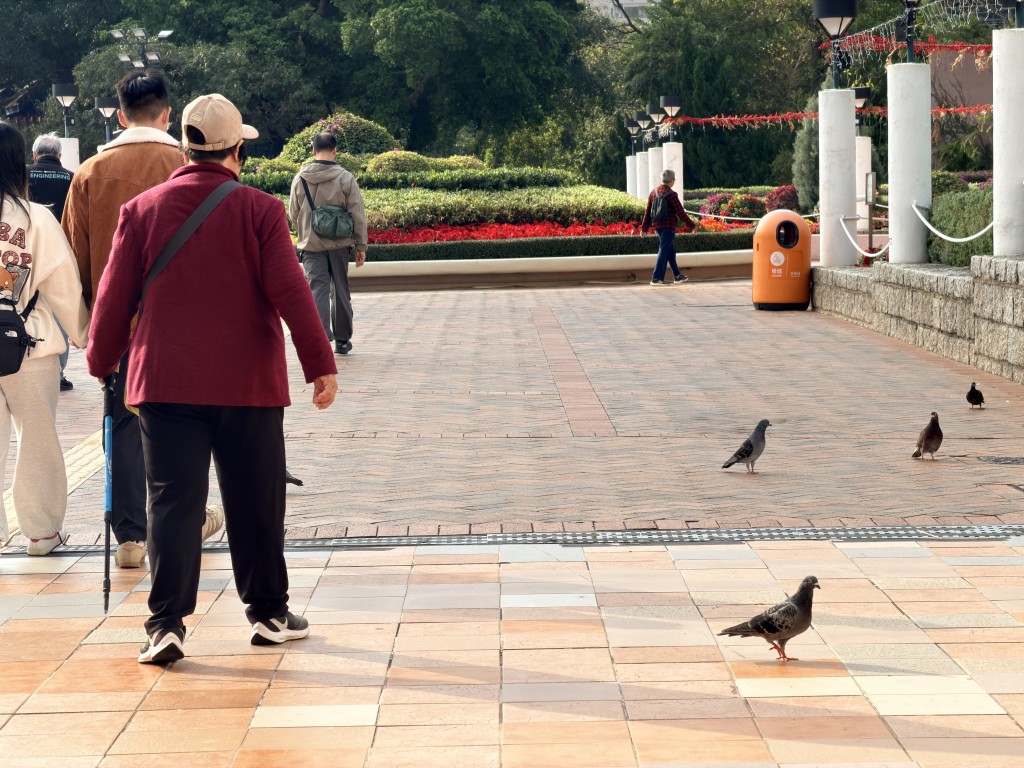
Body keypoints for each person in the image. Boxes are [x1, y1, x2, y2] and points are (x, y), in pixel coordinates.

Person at [87, 93, 339, 664]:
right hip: (247, 384)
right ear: (237, 150)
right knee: (255, 498)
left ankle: (166, 624)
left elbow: (113, 297)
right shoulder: (260, 211)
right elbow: (291, 293)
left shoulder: (142, 209)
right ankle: (269, 612)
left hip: (165, 382)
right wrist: (319, 365)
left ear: (187, 148)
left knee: (172, 503)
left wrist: (102, 360)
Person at [62, 71, 223, 569]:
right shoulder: (186, 164)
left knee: (122, 426)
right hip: (185, 325)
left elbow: (72, 256)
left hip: (119, 323)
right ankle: (185, 519)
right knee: (185, 426)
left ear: (118, 114)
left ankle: (130, 535)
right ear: (168, 114)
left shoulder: (89, 172)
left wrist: (90, 330)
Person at [0, 121, 90, 555]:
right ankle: (40, 533)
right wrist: (84, 333)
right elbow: (63, 282)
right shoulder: (36, 217)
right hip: (29, 345)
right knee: (37, 440)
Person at [288, 132, 367, 355]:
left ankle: (321, 339)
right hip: (340, 245)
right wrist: (361, 245)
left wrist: (305, 233)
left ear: (313, 151)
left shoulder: (300, 178)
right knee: (340, 290)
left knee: (317, 291)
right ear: (335, 151)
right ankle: (342, 340)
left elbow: (293, 213)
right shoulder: (345, 177)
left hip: (311, 246)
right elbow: (357, 213)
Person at [26, 133, 75, 392]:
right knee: (58, 317)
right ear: (59, 155)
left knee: (25, 311)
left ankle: (25, 364)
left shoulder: (22, 175)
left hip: (25, 255)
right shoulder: (71, 177)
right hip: (59, 255)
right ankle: (58, 374)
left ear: (34, 155)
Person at [640, 168, 696, 286]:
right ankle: (656, 278)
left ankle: (677, 275)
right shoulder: (671, 194)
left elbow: (648, 212)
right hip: (668, 227)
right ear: (671, 180)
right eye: (674, 180)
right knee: (663, 250)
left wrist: (644, 228)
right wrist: (691, 226)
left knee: (670, 251)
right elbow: (680, 213)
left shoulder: (653, 192)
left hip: (657, 227)